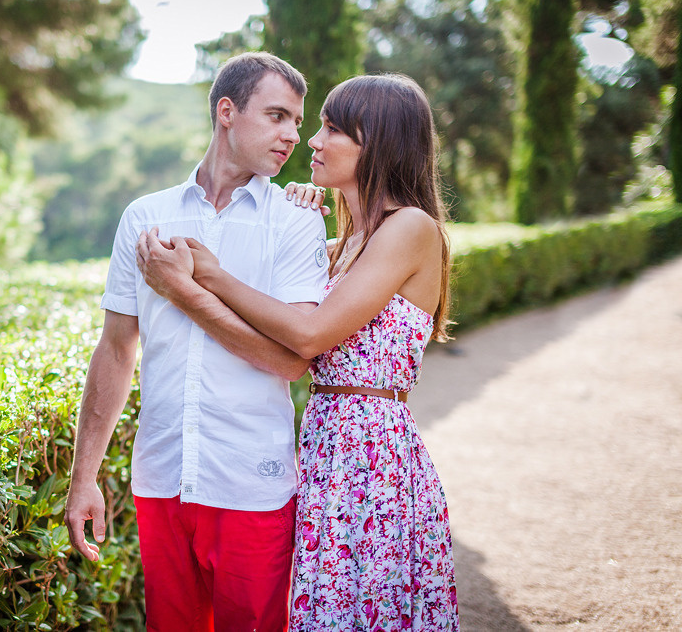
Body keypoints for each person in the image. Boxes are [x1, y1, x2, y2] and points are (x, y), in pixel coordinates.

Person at [136, 73, 460, 630]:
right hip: (326, 447)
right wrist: (302, 215)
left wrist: (207, 277)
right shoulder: (344, 244)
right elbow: (282, 307)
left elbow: (308, 336)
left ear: (377, 143)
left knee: (368, 610)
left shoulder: (412, 228)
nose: (312, 139)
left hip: (372, 455)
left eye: (333, 129)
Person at [63, 52, 330, 631]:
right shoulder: (146, 217)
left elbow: (293, 360)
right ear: (227, 112)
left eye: (297, 121)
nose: (293, 136)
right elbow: (116, 349)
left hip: (251, 481)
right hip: (161, 476)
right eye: (277, 116)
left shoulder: (296, 220)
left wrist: (184, 292)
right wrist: (84, 476)